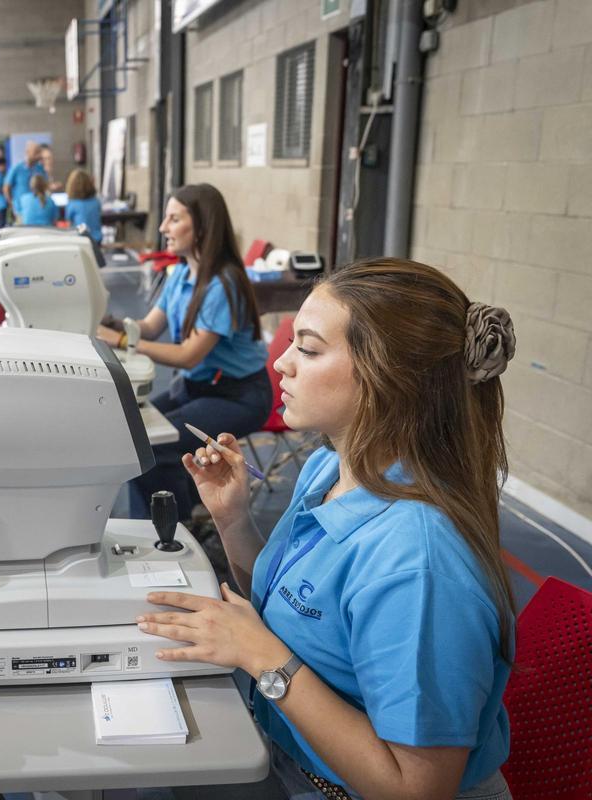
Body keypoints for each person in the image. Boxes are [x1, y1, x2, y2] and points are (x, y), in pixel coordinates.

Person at [137, 258, 516, 800]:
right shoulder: (327, 468)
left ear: (392, 378)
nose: (282, 365)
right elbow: (294, 612)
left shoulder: (417, 562)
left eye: (309, 350)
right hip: (294, 763)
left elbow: (417, 789)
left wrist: (262, 657)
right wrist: (234, 518)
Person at [97, 184, 269, 521]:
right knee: (130, 432)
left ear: (203, 226)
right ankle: (174, 514)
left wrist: (118, 342)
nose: (163, 228)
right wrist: (109, 320)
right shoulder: (181, 273)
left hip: (239, 396)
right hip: (196, 388)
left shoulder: (223, 283)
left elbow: (189, 355)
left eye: (173, 219)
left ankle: (179, 529)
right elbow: (148, 327)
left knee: (153, 446)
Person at [3, 141, 48, 218]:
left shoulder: (40, 169)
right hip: (20, 211)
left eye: (39, 152)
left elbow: (45, 185)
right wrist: (12, 204)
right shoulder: (16, 168)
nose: (39, 155)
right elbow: (6, 188)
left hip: (37, 210)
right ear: (27, 152)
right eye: (36, 152)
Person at [64, 168, 102, 243]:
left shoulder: (72, 204)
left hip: (80, 241)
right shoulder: (96, 202)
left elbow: (69, 224)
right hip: (97, 240)